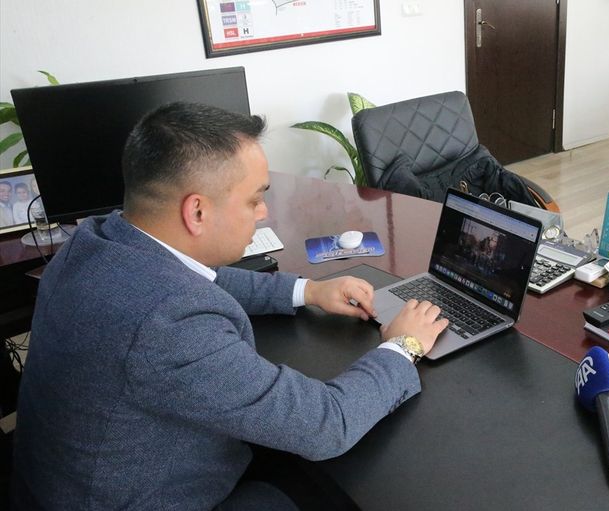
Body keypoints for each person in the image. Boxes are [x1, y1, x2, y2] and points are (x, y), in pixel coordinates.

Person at [13, 102, 449, 510]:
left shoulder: (96, 240)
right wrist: (402, 345)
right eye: (254, 199)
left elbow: (200, 275)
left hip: (60, 481)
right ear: (197, 213)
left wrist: (308, 291)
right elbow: (325, 425)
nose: (263, 213)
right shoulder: (169, 323)